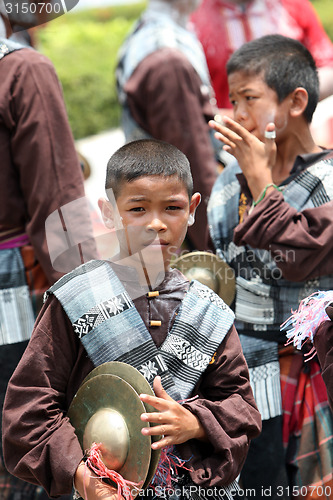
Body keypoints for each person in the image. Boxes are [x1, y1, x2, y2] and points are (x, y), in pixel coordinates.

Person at [2, 139, 262, 500]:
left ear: (192, 209)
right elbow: (28, 410)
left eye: (172, 207)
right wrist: (81, 476)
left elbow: (241, 407)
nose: (156, 223)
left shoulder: (209, 310)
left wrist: (196, 423)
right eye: (138, 208)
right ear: (108, 213)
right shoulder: (77, 299)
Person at [207, 35, 333, 499]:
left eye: (250, 99)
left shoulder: (327, 180)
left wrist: (261, 178)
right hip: (242, 376)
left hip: (309, 372)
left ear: (296, 101)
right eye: (232, 99)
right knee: (256, 483)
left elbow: (297, 256)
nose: (236, 114)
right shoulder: (226, 181)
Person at [0, 4, 96, 500]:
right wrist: (96, 317)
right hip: (12, 295)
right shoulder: (22, 70)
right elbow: (60, 214)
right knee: (28, 448)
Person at [116, 0, 224, 252]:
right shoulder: (167, 57)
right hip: (178, 235)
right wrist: (215, 250)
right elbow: (191, 164)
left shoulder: (148, 32)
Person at [191, 0, 333, 112]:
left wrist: (288, 97)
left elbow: (328, 68)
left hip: (290, 135)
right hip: (225, 138)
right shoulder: (192, 15)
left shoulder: (292, 6)